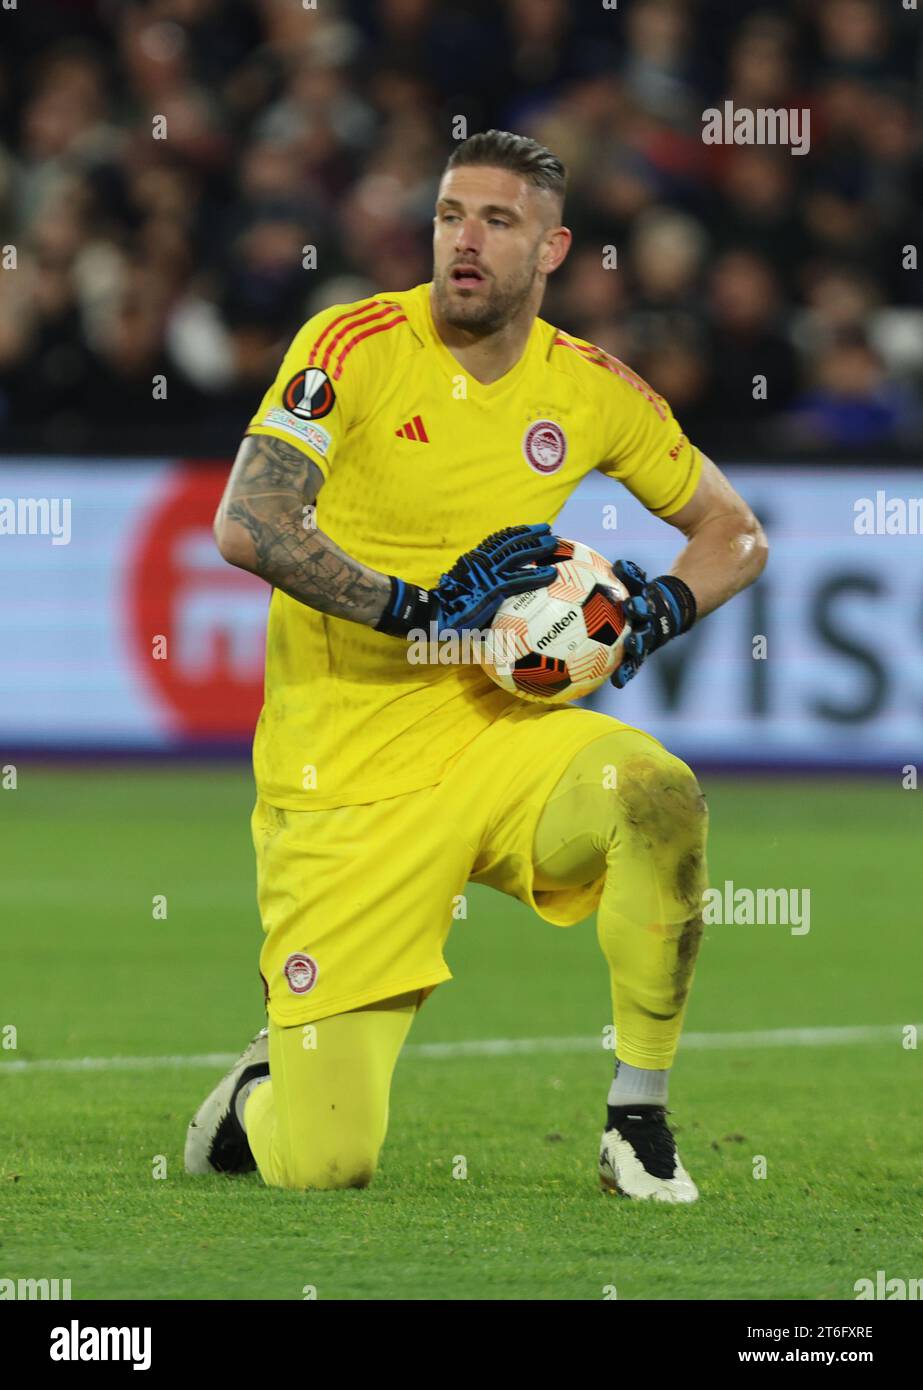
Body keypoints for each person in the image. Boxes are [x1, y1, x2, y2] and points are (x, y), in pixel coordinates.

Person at [184, 130, 767, 1203]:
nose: (466, 240)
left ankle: (636, 1116)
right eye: (452, 214)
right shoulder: (351, 344)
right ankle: (267, 1081)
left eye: (498, 222)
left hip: (496, 738)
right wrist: (416, 612)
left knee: (655, 790)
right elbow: (248, 523)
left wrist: (650, 616)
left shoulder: (587, 388)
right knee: (325, 1165)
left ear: (552, 250)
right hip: (343, 775)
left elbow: (734, 535)